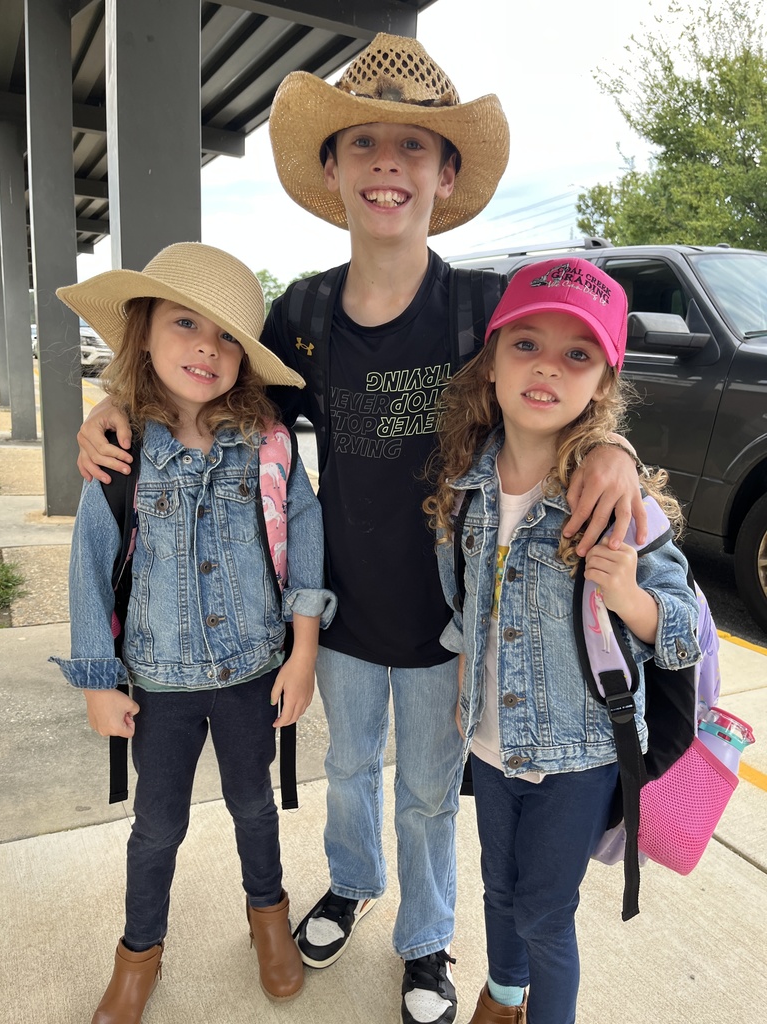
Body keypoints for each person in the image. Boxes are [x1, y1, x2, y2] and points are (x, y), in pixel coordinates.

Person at [74, 35, 649, 1024]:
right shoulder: (299, 315)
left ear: (447, 173)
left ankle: (425, 940)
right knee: (347, 772)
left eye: (416, 146)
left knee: (428, 792)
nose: (390, 162)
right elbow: (214, 405)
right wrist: (107, 408)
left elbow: (570, 379)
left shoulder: (480, 309)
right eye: (366, 143)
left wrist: (617, 452)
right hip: (335, 612)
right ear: (333, 169)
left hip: (443, 622)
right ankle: (349, 880)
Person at [52, 242, 336, 1024]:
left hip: (253, 671)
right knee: (157, 828)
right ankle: (139, 953)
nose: (206, 348)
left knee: (254, 807)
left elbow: (304, 533)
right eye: (185, 324)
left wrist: (303, 649)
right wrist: (96, 681)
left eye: (226, 337)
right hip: (161, 683)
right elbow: (91, 558)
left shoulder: (268, 444)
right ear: (143, 332)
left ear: (245, 358)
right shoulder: (122, 449)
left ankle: (268, 921)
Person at [425, 258, 702, 1024]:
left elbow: (685, 635)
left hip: (578, 755)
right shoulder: (470, 485)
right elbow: (465, 603)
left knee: (547, 913)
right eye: (527, 344)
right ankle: (505, 996)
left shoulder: (617, 499)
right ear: (491, 364)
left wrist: (629, 598)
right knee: (497, 888)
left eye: (577, 354)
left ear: (602, 386)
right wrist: (461, 694)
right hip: (487, 738)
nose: (548, 365)